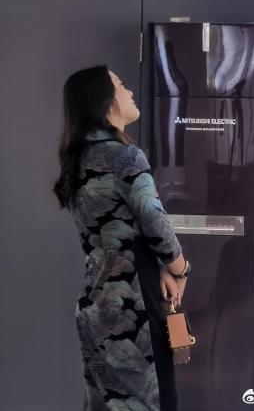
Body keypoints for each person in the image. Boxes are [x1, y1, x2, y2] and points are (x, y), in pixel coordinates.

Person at [53, 65, 190, 411]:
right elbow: (155, 222)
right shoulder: (125, 156)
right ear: (106, 101)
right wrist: (180, 268)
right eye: (121, 84)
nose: (129, 92)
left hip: (94, 305)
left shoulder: (78, 160)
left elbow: (119, 236)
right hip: (133, 307)